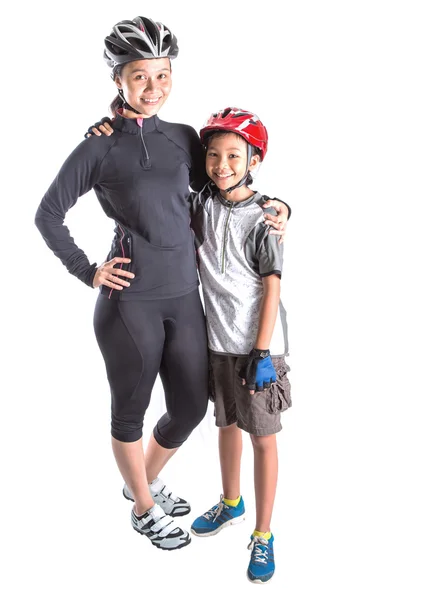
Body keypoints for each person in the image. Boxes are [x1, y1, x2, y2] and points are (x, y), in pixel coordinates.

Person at [35, 17, 290, 552]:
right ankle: (145, 509)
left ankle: (140, 483)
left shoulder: (181, 139)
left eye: (163, 75)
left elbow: (230, 179)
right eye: (140, 77)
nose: (153, 88)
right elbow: (48, 215)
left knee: (192, 407)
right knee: (129, 410)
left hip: (186, 299)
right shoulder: (98, 149)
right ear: (118, 81)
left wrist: (281, 205)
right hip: (130, 303)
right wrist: (88, 271)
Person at [187, 108, 291, 583]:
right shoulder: (202, 204)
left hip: (257, 347)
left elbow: (272, 286)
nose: (221, 163)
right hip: (217, 341)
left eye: (233, 155)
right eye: (213, 154)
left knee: (262, 438)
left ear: (253, 160)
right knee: (225, 424)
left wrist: (264, 351)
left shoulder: (264, 218)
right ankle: (232, 502)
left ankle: (264, 534)